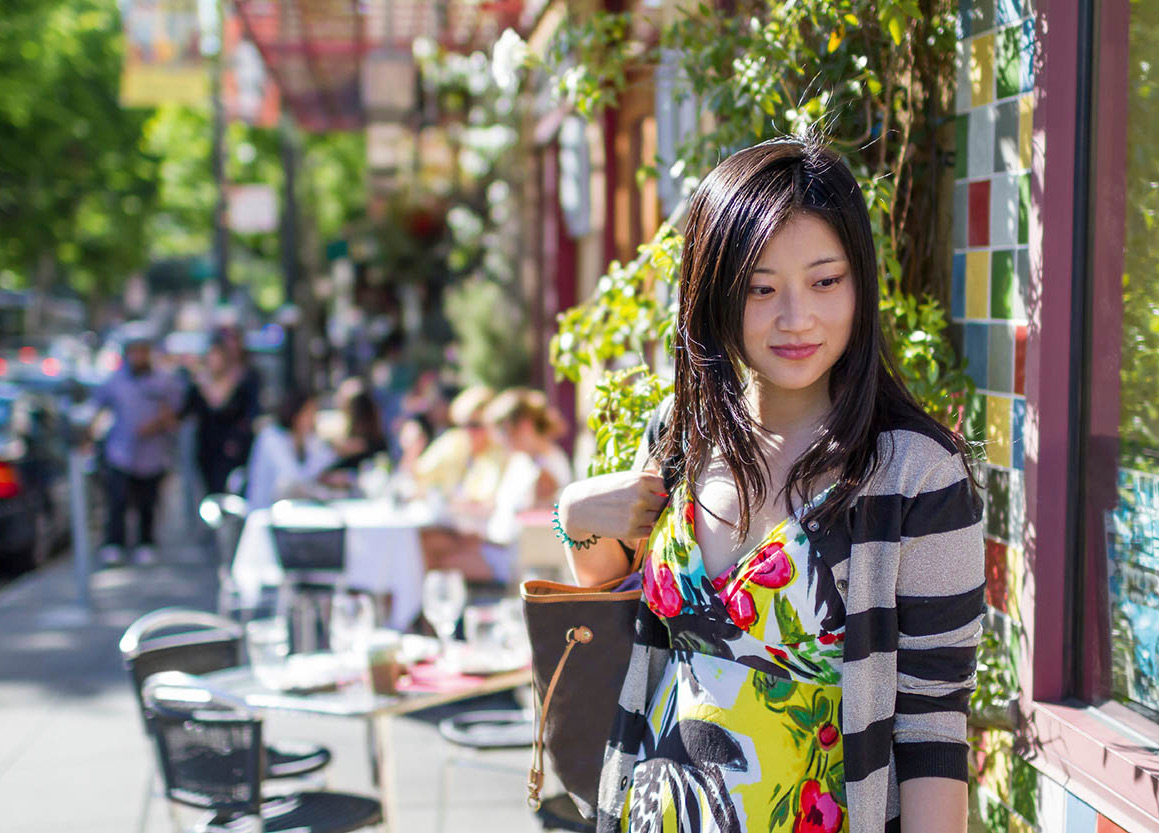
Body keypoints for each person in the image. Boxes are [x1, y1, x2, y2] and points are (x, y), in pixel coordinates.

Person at [554, 138, 985, 832]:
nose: (795, 318)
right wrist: (575, 515)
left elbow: (933, 724)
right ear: (716, 289)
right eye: (761, 288)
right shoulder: (681, 434)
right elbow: (613, 611)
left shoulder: (915, 475)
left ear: (859, 285)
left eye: (824, 281)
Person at [92, 327, 185, 566]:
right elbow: (96, 407)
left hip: (153, 454)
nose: (138, 356)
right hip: (121, 452)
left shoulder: (164, 381)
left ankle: (146, 543)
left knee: (148, 503)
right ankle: (114, 544)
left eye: (142, 351)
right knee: (117, 501)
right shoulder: (115, 380)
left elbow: (176, 414)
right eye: (134, 351)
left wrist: (157, 424)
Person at [181, 332, 261, 496]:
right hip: (207, 448)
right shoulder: (199, 384)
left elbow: (250, 413)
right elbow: (186, 412)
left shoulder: (241, 382)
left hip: (233, 448)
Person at [245, 389, 336, 511]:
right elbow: (292, 481)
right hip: (263, 516)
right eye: (310, 413)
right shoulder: (271, 438)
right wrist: (334, 453)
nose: (314, 419)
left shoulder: (306, 441)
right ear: (296, 413)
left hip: (291, 514)